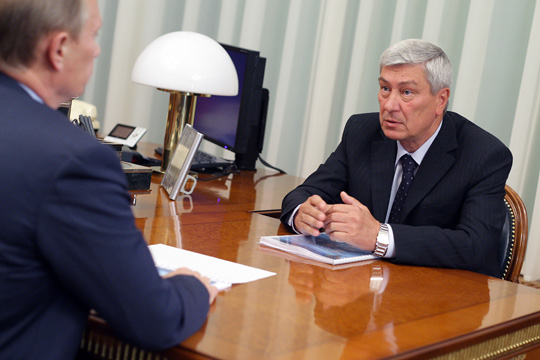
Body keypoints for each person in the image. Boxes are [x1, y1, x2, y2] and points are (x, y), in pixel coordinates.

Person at [0, 0, 217, 358]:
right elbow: (153, 318)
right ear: (59, 49)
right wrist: (191, 285)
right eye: (94, 34)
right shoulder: (73, 159)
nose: (98, 49)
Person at [281, 39, 512, 278]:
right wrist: (302, 214)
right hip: (364, 287)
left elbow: (475, 245)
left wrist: (379, 236)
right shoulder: (362, 131)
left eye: (406, 92)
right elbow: (304, 193)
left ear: (440, 100)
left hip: (442, 297)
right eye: (385, 89)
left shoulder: (483, 154)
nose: (390, 105)